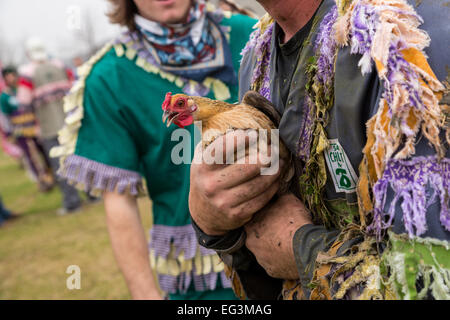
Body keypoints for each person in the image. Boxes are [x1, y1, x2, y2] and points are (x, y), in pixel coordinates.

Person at [189, 0, 450, 300]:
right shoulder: (257, 56)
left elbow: (434, 281)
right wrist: (216, 224)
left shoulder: (408, 36)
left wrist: (304, 250)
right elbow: (265, 269)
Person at [52, 0, 256, 299]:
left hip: (291, 252)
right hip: (201, 278)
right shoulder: (111, 76)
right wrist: (145, 293)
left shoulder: (253, 33)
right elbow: (119, 202)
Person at [17, 38, 82, 214]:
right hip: (70, 123)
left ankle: (72, 202)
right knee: (81, 160)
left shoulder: (28, 74)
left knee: (59, 165)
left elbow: (23, 103)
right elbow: (75, 89)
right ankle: (93, 195)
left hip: (47, 127)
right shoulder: (60, 66)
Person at [0, 66, 53, 191]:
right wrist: (8, 133)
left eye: (12, 75)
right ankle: (42, 181)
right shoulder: (5, 96)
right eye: (7, 76)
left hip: (34, 127)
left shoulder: (24, 89)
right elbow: (5, 117)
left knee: (45, 152)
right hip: (20, 131)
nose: (10, 78)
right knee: (31, 156)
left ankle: (51, 175)